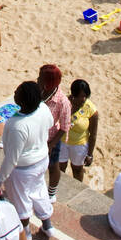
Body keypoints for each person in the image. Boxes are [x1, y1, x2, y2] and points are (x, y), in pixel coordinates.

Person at [0, 80, 53, 240]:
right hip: (41, 160)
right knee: (39, 191)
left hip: (23, 169)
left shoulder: (16, 125)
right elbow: (50, 124)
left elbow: (11, 158)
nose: (15, 91)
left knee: (21, 202)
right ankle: (47, 225)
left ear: (23, 101)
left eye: (18, 92)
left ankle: (25, 233)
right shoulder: (43, 109)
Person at [38, 64, 70, 203]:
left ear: (47, 83)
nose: (37, 79)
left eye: (40, 78)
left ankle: (51, 193)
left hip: (51, 139)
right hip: (36, 135)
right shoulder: (37, 91)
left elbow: (64, 127)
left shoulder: (62, 102)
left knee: (53, 165)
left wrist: (51, 145)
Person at [59, 79, 98, 182]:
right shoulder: (64, 103)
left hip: (79, 145)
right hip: (62, 142)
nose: (84, 99)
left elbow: (93, 134)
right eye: (81, 96)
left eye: (86, 96)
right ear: (73, 95)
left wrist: (90, 154)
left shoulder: (91, 110)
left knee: (77, 169)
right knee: (60, 168)